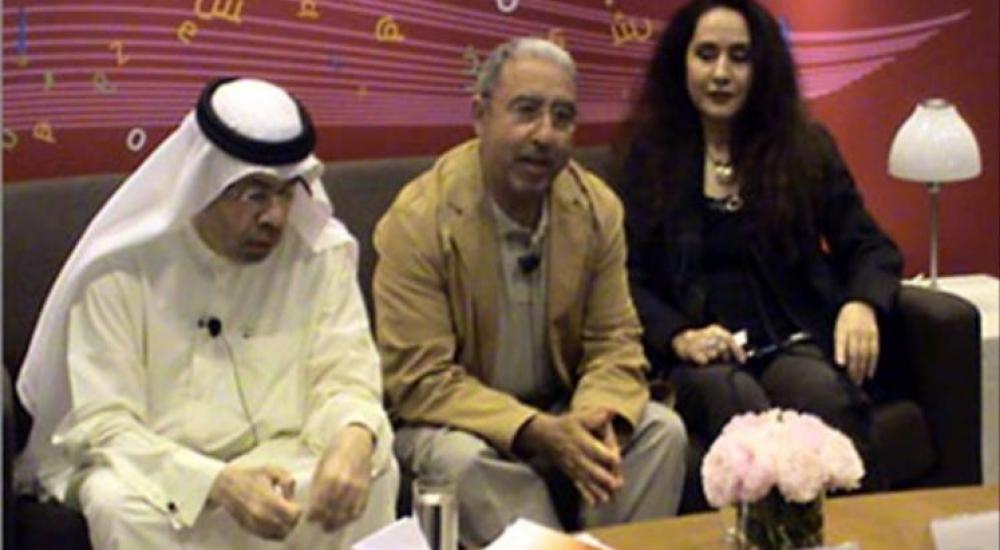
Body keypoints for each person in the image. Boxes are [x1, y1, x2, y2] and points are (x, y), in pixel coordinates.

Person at [14, 77, 398, 548]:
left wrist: (353, 435)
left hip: (284, 459)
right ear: (203, 183)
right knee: (117, 503)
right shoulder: (121, 269)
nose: (276, 217)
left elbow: (346, 377)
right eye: (255, 194)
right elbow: (105, 426)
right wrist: (216, 482)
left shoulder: (319, 254)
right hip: (160, 470)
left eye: (286, 192)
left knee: (372, 467)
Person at [373, 37, 687, 547]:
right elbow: (419, 380)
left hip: (564, 406)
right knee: (460, 462)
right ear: (480, 116)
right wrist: (533, 430)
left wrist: (595, 415)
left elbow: (615, 340)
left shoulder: (595, 209)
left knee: (660, 433)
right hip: (458, 423)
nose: (545, 135)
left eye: (562, 117)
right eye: (526, 111)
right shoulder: (419, 219)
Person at [618, 0, 902, 497]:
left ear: (762, 67)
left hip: (787, 341)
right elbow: (626, 278)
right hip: (699, 358)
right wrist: (679, 336)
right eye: (706, 54)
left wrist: (861, 303)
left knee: (825, 400)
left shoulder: (804, 148)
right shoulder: (646, 157)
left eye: (739, 57)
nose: (721, 73)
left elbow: (869, 245)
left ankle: (864, 530)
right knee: (739, 406)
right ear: (682, 63)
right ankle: (754, 533)